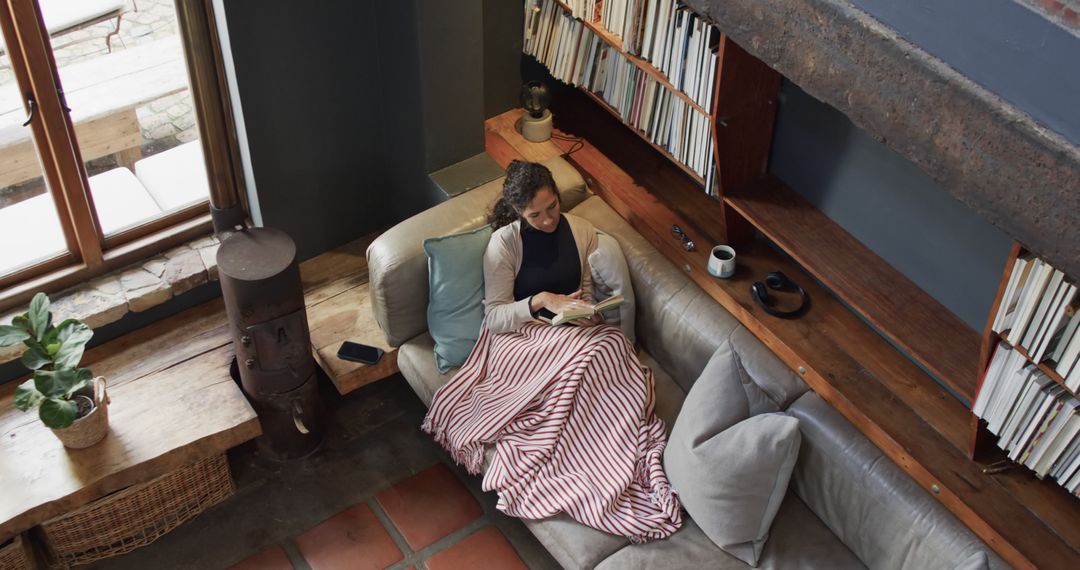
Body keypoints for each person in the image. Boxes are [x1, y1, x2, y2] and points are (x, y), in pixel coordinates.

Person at [423, 160, 682, 543]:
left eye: (552, 208)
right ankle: (579, 455)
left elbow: (588, 293)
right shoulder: (504, 244)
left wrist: (585, 309)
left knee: (609, 348)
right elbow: (495, 317)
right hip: (521, 338)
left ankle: (606, 444)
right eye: (535, 214)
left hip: (571, 332)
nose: (547, 220)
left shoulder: (580, 231)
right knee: (593, 356)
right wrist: (542, 300)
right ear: (517, 213)